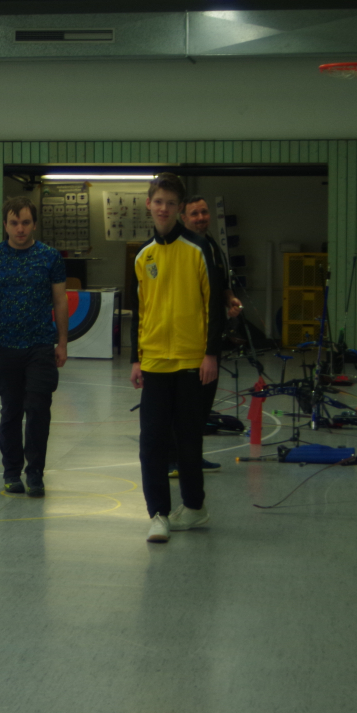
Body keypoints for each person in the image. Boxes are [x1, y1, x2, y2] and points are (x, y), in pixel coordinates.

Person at [130, 173, 226, 543]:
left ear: (179, 208)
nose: (164, 208)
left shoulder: (199, 248)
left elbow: (213, 305)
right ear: (149, 204)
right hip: (154, 362)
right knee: (152, 442)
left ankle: (195, 507)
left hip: (192, 362)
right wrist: (136, 359)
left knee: (188, 440)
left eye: (171, 203)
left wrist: (210, 353)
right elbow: (140, 310)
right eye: (159, 202)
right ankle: (158, 514)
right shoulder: (143, 255)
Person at [0, 195, 68, 499]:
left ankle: (35, 473)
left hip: (41, 346)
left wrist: (62, 342)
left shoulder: (50, 257)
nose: (20, 229)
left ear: (34, 224)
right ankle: (11, 472)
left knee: (38, 410)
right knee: (11, 411)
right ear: (5, 225)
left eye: (25, 222)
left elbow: (60, 300)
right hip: (5, 347)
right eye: (14, 223)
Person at [173, 195, 241, 473]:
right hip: (188, 338)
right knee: (184, 404)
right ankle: (175, 459)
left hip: (212, 335)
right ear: (183, 218)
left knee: (203, 402)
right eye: (194, 214)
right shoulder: (181, 248)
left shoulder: (211, 245)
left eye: (204, 212)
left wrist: (230, 299)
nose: (201, 217)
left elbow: (221, 285)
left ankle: (193, 457)